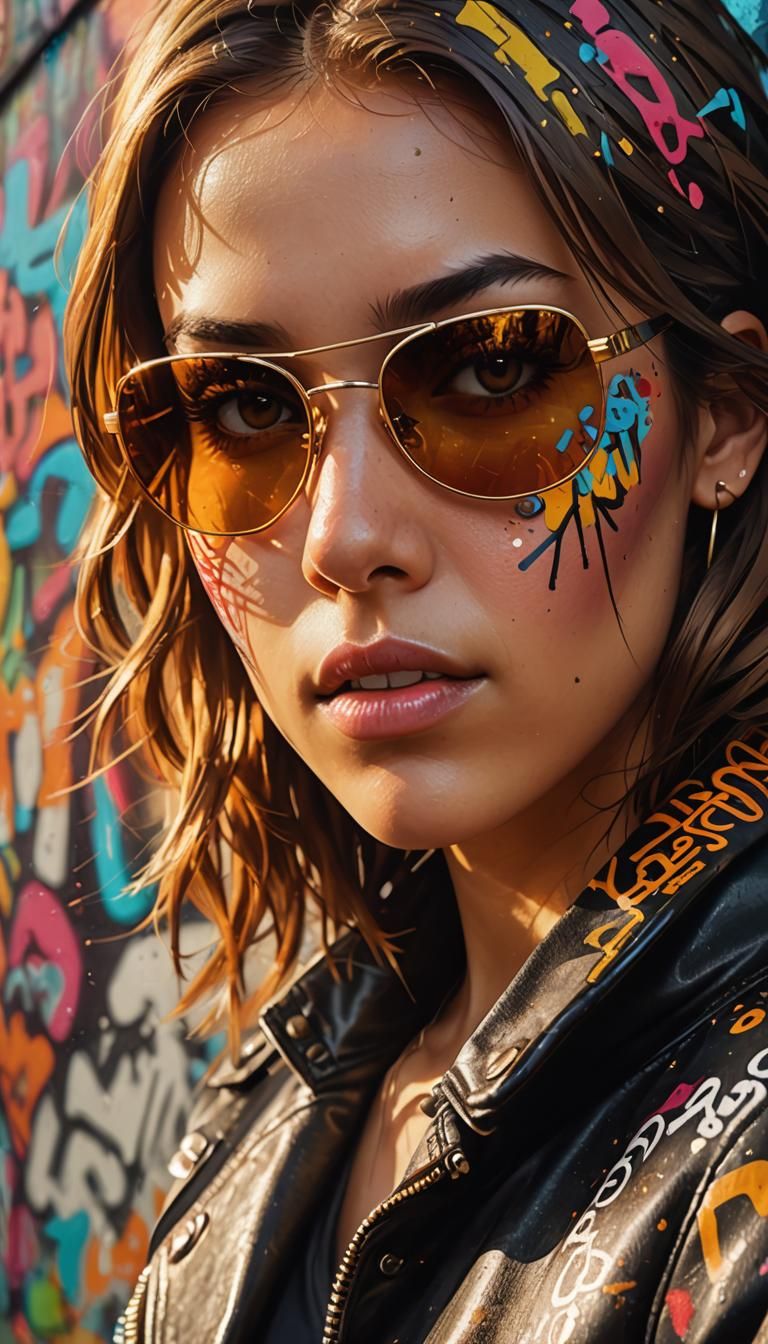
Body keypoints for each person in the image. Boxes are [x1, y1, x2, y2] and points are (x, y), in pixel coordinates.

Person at [64, 0, 768, 1338]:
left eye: (491, 369)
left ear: (727, 411)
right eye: (246, 407)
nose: (343, 539)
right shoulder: (270, 1114)